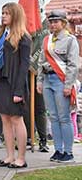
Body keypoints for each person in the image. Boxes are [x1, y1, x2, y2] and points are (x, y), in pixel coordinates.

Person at [0, 2, 31, 169]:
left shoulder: (23, 38)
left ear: (16, 15)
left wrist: (19, 90)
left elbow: (24, 66)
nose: (4, 16)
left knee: (16, 119)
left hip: (14, 84)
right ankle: (9, 156)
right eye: (3, 12)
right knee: (4, 119)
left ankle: (21, 158)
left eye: (7, 13)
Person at [37, 10, 80, 163]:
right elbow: (41, 62)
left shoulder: (70, 40)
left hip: (61, 80)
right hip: (48, 80)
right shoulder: (46, 39)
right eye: (51, 22)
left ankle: (68, 152)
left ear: (63, 23)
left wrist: (68, 85)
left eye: (56, 21)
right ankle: (58, 150)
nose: (53, 24)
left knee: (64, 117)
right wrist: (39, 81)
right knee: (53, 117)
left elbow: (73, 65)